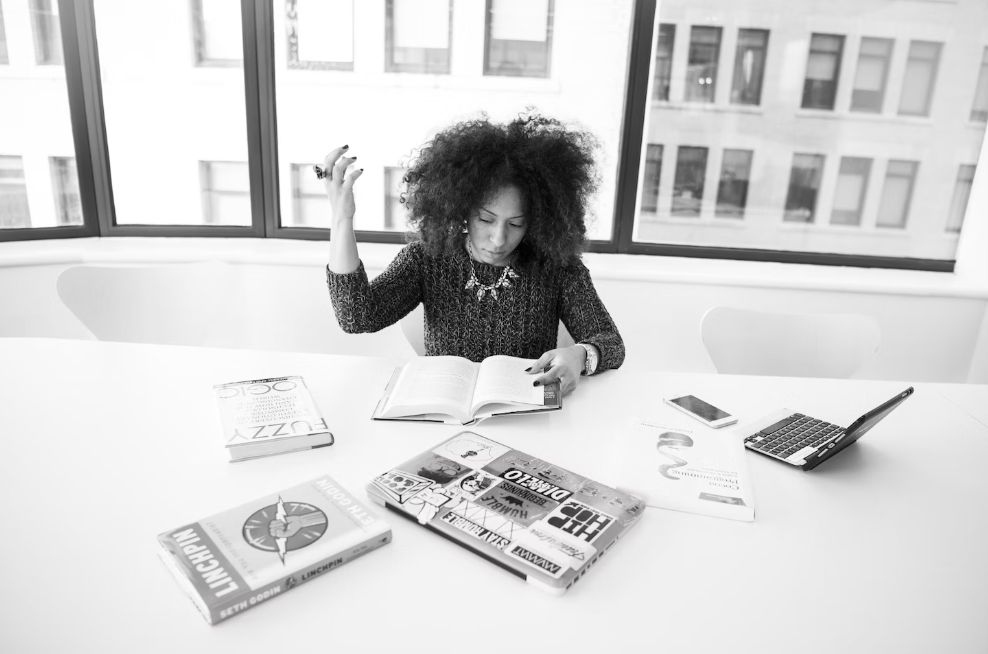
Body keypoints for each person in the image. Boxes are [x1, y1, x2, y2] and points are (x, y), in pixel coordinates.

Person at [322, 113, 624, 395]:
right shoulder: (427, 259)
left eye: (516, 224)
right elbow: (356, 316)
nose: (499, 238)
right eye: (486, 219)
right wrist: (341, 219)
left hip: (524, 413)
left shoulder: (557, 267)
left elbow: (610, 343)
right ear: (462, 208)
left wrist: (580, 355)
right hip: (443, 412)